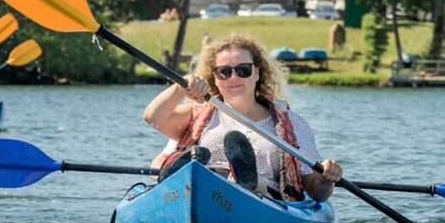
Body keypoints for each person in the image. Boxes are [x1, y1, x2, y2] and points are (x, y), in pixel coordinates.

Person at [142, 33, 342, 202]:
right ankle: (182, 172)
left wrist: (327, 178)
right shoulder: (198, 114)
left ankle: (246, 179)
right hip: (202, 191)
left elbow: (317, 192)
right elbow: (152, 118)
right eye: (224, 72)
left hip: (262, 200)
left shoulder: (293, 123)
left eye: (243, 70)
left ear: (257, 73)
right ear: (215, 78)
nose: (234, 78)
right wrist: (181, 87)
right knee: (198, 169)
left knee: (249, 183)